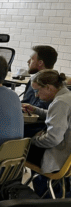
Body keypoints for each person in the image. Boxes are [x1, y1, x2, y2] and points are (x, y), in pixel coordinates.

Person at [23, 70, 71, 198]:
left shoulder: (60, 102)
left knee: (18, 149)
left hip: (57, 156)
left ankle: (32, 194)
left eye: (37, 91)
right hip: (66, 154)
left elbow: (52, 139)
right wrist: (36, 110)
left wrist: (31, 140)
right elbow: (56, 116)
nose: (37, 96)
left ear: (49, 87)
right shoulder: (66, 96)